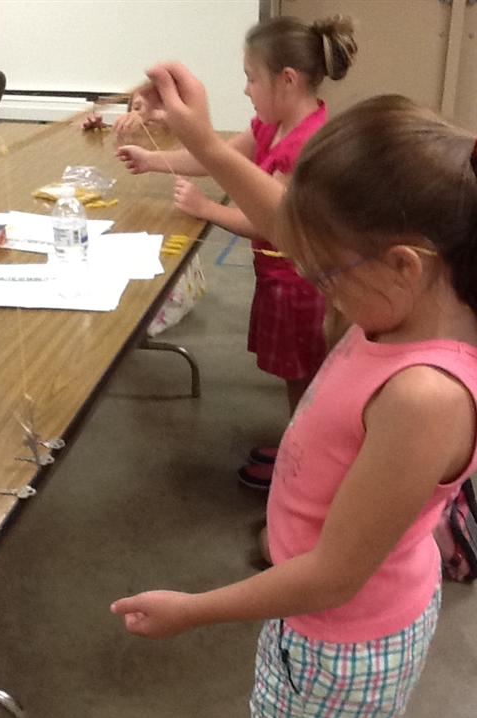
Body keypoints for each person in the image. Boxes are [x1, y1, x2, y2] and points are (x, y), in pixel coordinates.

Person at [111, 64, 477, 718]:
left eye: (329, 271)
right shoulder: (413, 304)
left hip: (344, 632)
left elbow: (336, 573)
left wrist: (195, 610)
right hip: (360, 619)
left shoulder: (424, 396)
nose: (316, 277)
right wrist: (203, 143)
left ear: (402, 265)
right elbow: (297, 228)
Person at [117, 16, 358, 491]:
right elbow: (216, 157)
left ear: (287, 80)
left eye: (251, 78)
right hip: (276, 278)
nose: (245, 90)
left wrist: (208, 209)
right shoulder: (271, 125)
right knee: (294, 378)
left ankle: (302, 471)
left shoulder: (305, 144)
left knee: (303, 381)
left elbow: (278, 223)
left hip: (299, 285)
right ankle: (296, 448)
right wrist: (153, 161)